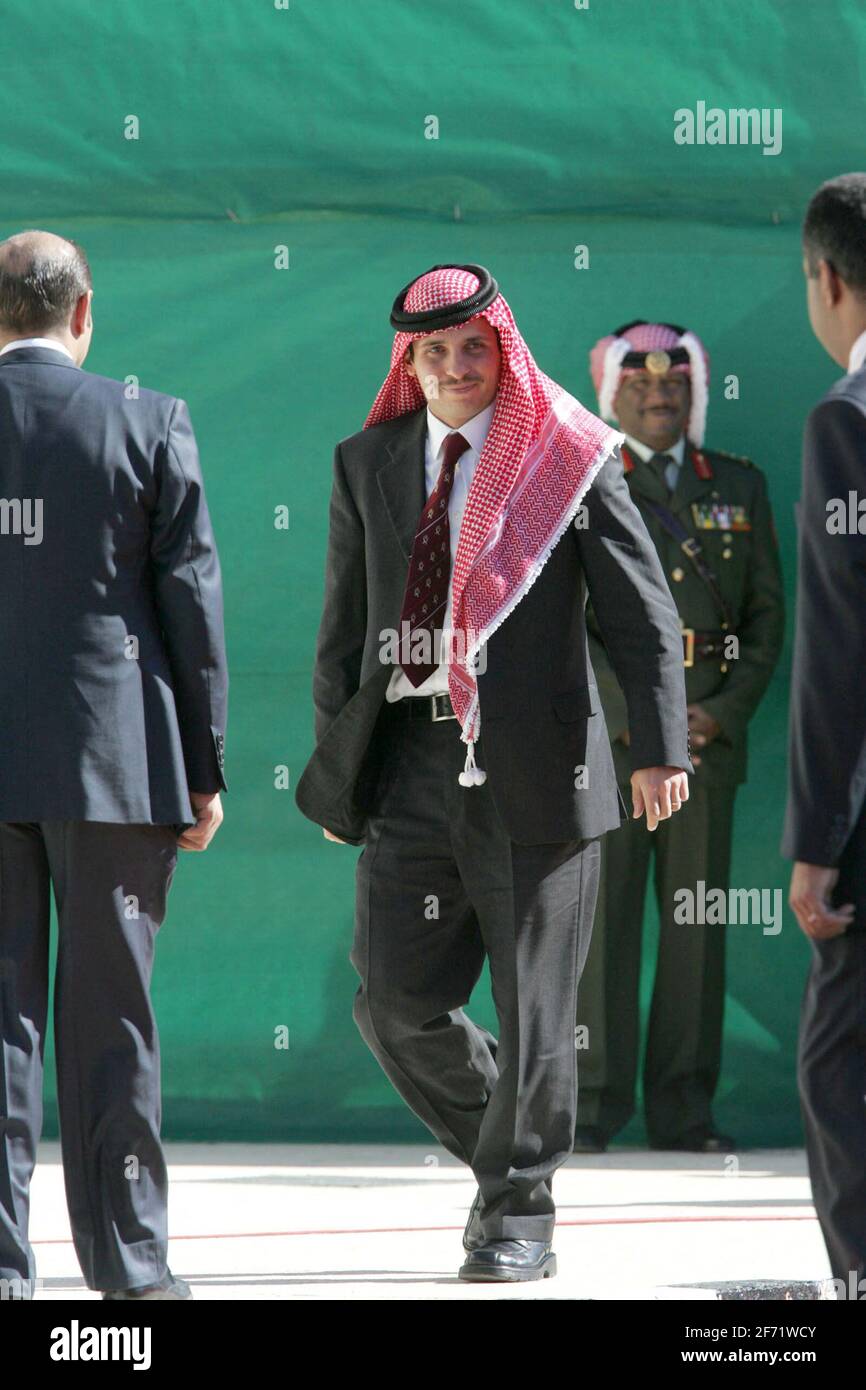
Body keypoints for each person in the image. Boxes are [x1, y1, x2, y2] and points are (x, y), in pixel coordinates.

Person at [295, 263, 692, 1282]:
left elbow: (641, 613)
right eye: (436, 352)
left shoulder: (563, 456)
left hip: (536, 767)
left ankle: (519, 1211)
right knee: (392, 1003)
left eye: (474, 346)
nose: (458, 366)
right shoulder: (367, 460)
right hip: (407, 761)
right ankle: (505, 1159)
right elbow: (343, 636)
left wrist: (656, 749)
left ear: (500, 347)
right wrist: (340, 772)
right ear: (410, 363)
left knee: (533, 1010)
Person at [0, 231, 228, 1301]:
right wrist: (205, 768)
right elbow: (192, 606)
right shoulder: (146, 419)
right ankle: (130, 1272)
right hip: (113, 765)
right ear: (83, 309)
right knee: (113, 1027)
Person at [575, 321, 784, 1153]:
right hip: (617, 750)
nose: (660, 397)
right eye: (641, 386)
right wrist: (638, 721)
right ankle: (590, 1107)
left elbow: (766, 619)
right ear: (612, 396)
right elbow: (568, 624)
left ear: (694, 395)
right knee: (602, 932)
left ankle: (685, 1110)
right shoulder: (583, 483)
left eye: (674, 387)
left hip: (706, 749)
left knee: (695, 932)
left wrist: (719, 715)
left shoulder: (739, 487)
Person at [784, 173, 866, 1297]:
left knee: (836, 1057)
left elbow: (838, 655)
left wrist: (813, 838)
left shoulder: (844, 422)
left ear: (830, 279)